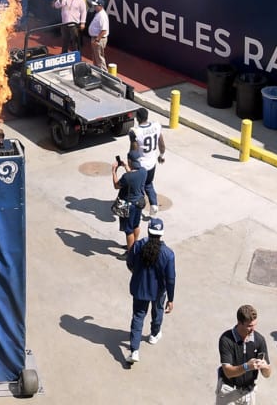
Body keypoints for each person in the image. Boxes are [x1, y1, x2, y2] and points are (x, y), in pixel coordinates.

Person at [125, 217, 176, 365]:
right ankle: (154, 334)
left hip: (140, 287)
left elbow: (130, 262)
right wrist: (171, 299)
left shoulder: (138, 245)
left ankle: (134, 350)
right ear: (162, 233)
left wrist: (136, 273)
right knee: (158, 309)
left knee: (138, 316)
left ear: (148, 230)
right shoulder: (168, 254)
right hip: (159, 290)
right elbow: (171, 279)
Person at [216, 304, 273, 403]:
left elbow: (267, 374)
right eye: (249, 326)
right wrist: (247, 366)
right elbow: (228, 372)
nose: (253, 329)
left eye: (255, 325)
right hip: (229, 392)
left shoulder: (259, 340)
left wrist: (265, 368)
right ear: (239, 323)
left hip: (249, 393)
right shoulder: (226, 339)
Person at [128, 107, 166, 213]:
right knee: (148, 184)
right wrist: (161, 156)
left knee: (138, 188)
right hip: (152, 164)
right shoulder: (156, 126)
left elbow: (134, 151)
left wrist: (130, 164)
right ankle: (154, 204)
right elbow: (162, 144)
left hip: (140, 165)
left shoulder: (135, 131)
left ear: (137, 118)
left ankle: (138, 208)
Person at [112, 155, 149, 250]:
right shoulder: (143, 171)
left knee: (128, 230)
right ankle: (133, 245)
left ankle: (130, 253)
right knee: (136, 225)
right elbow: (133, 176)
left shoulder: (126, 177)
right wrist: (126, 167)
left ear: (129, 161)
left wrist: (114, 171)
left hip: (129, 206)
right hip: (139, 202)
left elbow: (116, 186)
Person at [85, 0, 109, 68]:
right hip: (96, 38)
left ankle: (104, 75)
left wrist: (97, 39)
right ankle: (97, 72)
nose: (94, 7)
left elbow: (104, 30)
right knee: (96, 58)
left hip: (99, 39)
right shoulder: (98, 13)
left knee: (99, 59)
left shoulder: (102, 16)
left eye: (96, 6)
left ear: (100, 6)